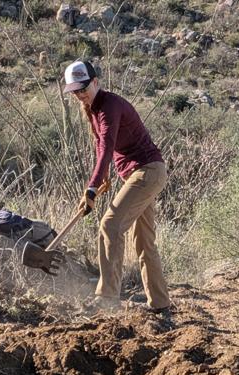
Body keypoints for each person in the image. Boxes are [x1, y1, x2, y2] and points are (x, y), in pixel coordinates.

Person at [62, 60, 172, 314]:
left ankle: (107, 297)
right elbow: (102, 149)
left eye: (83, 88)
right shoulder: (93, 109)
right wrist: (101, 179)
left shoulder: (108, 106)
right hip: (142, 174)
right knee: (144, 241)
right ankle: (161, 304)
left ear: (96, 82)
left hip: (147, 172)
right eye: (75, 91)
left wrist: (92, 187)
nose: (80, 94)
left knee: (110, 224)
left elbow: (107, 147)